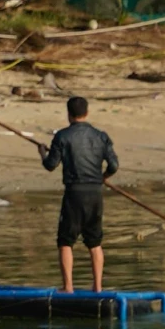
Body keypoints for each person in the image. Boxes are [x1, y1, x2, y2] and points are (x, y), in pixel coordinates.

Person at [40, 95, 118, 292]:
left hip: (74, 194)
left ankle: (68, 287)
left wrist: (42, 153)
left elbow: (50, 165)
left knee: (65, 241)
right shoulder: (101, 136)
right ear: (87, 112)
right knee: (95, 242)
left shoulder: (62, 136)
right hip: (95, 194)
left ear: (68, 114)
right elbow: (114, 165)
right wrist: (103, 177)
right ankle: (98, 287)